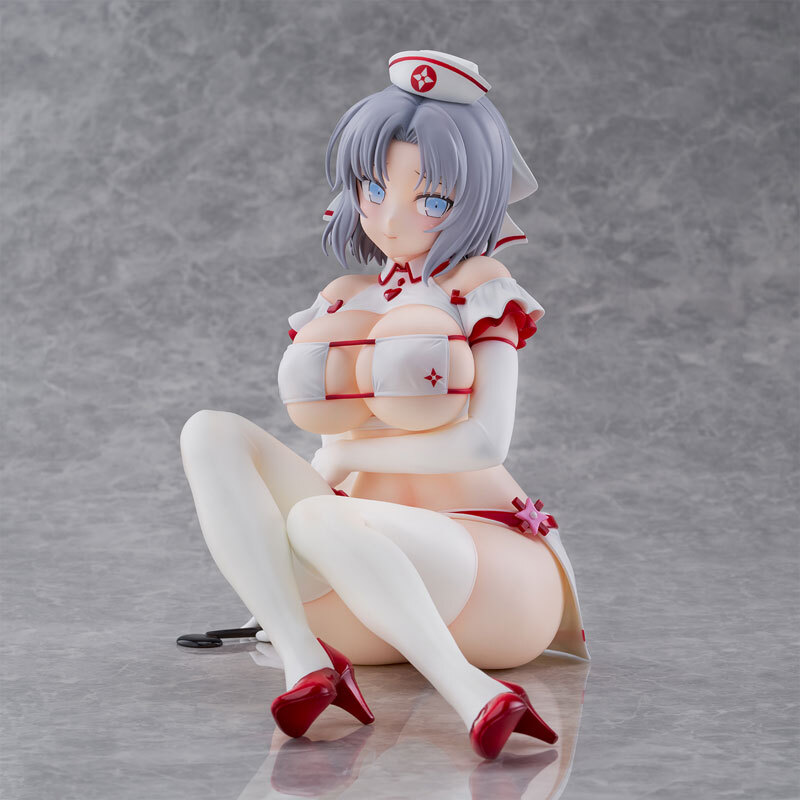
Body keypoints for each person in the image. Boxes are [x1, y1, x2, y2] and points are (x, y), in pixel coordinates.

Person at [180, 50, 589, 760]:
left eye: (431, 200)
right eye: (373, 188)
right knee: (209, 432)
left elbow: (484, 443)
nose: (391, 217)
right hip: (357, 562)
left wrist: (346, 452)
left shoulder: (478, 287)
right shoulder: (345, 297)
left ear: (475, 200)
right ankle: (306, 662)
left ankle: (472, 692)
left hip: (483, 567)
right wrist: (325, 476)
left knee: (317, 515)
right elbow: (322, 463)